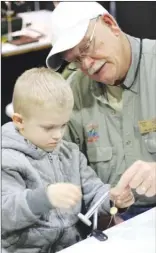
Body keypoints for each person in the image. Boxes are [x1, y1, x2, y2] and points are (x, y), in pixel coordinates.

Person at [2, 67, 134, 253]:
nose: (58, 135)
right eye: (49, 128)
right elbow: (5, 214)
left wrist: (112, 199)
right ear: (19, 121)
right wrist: (44, 198)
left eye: (63, 125)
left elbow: (92, 190)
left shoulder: (69, 153)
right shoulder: (6, 158)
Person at [46, 2, 156, 220]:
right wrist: (104, 210)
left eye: (87, 47)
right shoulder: (73, 93)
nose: (87, 64)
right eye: (75, 60)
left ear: (110, 24)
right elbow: (61, 172)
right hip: (114, 221)